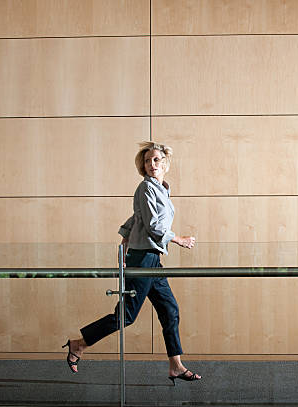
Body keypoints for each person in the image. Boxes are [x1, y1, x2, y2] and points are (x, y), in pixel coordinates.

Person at [63, 141, 201, 384]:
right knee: (126, 315)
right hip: (143, 258)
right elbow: (153, 225)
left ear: (166, 163)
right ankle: (79, 345)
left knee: (170, 310)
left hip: (150, 259)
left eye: (156, 160)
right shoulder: (147, 188)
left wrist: (125, 240)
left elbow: (135, 218)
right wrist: (178, 239)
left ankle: (176, 366)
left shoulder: (160, 189)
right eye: (147, 161)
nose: (151, 165)